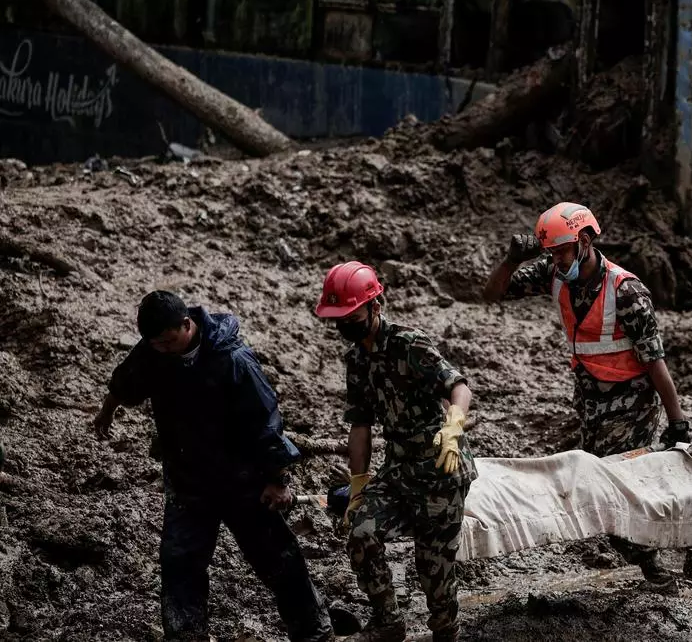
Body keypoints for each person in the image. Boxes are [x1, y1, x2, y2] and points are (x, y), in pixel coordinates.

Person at [93, 291, 331, 642]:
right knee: (180, 564)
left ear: (186, 325)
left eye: (168, 341)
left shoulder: (234, 360)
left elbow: (266, 421)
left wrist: (278, 479)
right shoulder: (154, 353)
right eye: (155, 343)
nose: (162, 348)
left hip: (244, 479)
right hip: (188, 480)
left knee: (277, 559)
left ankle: (314, 633)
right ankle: (186, 636)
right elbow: (127, 380)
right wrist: (107, 410)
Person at [482, 201, 690, 592]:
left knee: (608, 494)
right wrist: (511, 261)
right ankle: (671, 538)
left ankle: (658, 567)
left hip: (633, 404)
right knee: (617, 490)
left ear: (586, 240)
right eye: (551, 253)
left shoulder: (627, 293)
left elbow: (655, 362)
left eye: (562, 250)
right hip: (591, 402)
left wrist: (678, 422)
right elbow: (492, 294)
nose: (558, 260)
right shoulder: (553, 273)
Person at [314, 261, 474, 642]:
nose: (346, 325)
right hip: (398, 470)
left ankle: (446, 631)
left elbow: (459, 387)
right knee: (360, 530)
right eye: (340, 318)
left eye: (352, 315)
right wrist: (357, 486)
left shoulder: (410, 344)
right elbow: (360, 427)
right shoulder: (356, 361)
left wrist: (453, 427)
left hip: (440, 470)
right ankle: (388, 622)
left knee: (432, 570)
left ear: (375, 306)